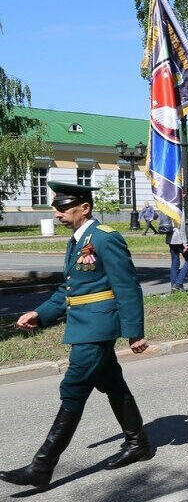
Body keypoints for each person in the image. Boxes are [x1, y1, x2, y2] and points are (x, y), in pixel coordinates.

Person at [1, 182, 151, 489]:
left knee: (73, 388)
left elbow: (127, 287)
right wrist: (40, 313)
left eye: (62, 208)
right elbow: (69, 290)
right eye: (55, 208)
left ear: (84, 208)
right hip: (84, 324)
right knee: (112, 383)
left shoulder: (106, 239)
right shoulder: (76, 241)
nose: (56, 213)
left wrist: (134, 332)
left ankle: (42, 466)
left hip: (98, 328)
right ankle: (139, 444)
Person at [164, 213, 188, 291]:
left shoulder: (168, 208)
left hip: (170, 239)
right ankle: (178, 283)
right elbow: (182, 228)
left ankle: (174, 287)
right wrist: (185, 243)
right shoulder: (178, 209)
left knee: (175, 263)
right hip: (179, 240)